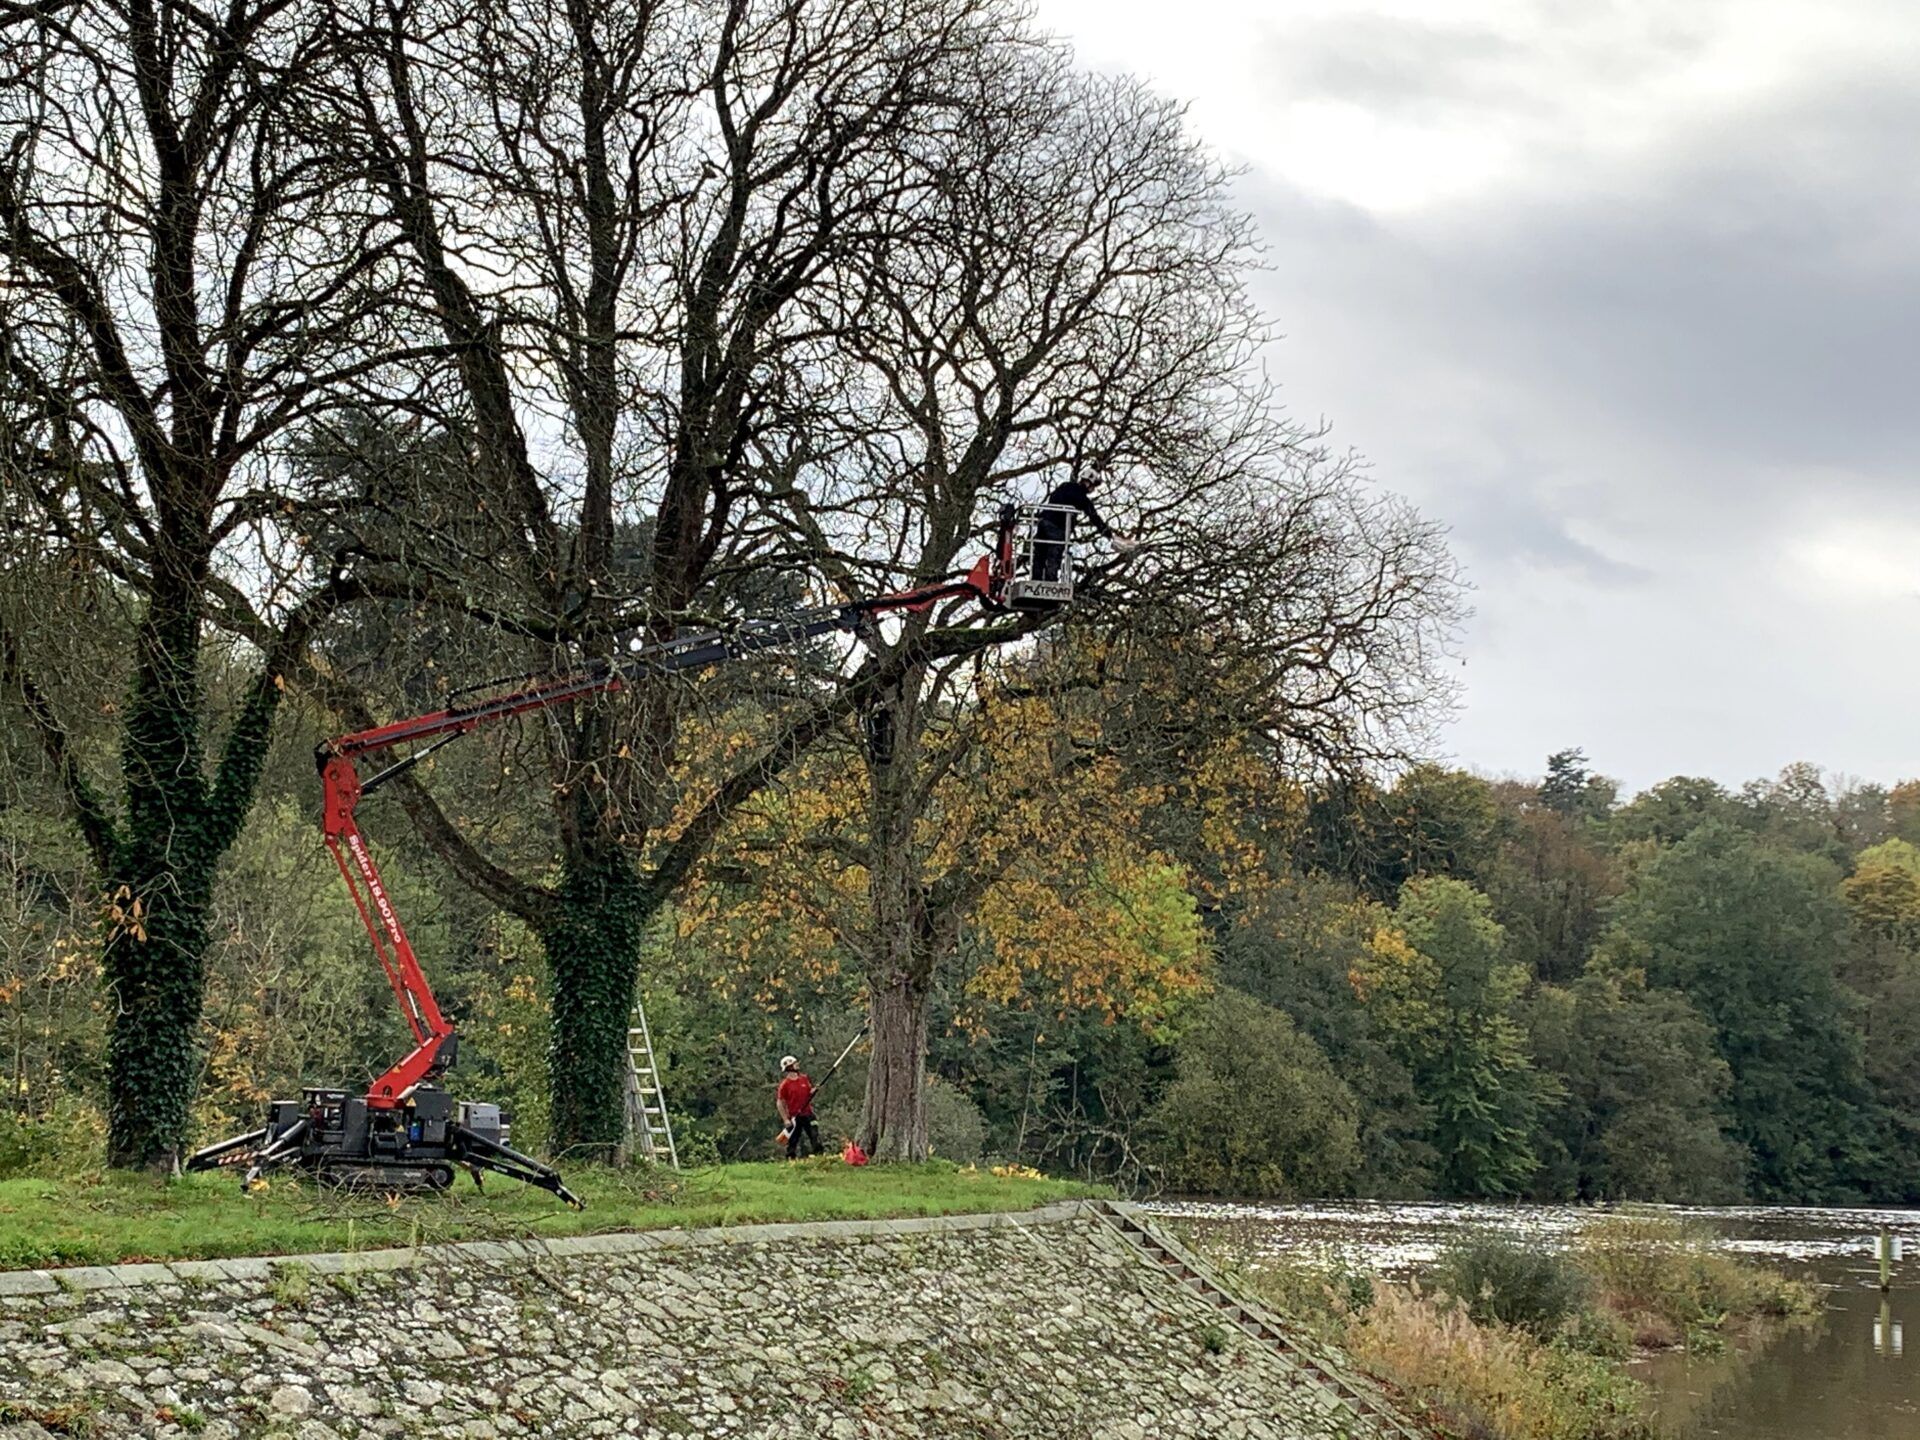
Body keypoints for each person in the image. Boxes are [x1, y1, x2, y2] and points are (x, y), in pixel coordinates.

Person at [1034, 470, 1135, 582]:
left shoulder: (1065, 486)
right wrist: (1110, 535)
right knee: (1054, 555)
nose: (1093, 489)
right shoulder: (1081, 498)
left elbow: (1053, 498)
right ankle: (1050, 583)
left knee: (1039, 554)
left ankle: (1035, 580)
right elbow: (1094, 517)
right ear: (1088, 483)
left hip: (1043, 522)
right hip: (1057, 527)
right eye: (1093, 486)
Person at [776, 1055, 822, 1160]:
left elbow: (809, 1092)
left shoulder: (804, 1078)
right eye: (795, 1063)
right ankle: (790, 1159)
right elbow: (780, 1102)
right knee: (793, 1140)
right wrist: (786, 1119)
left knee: (815, 1135)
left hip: (808, 1114)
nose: (797, 1065)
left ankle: (820, 1157)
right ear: (789, 1067)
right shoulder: (785, 1085)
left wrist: (814, 1091)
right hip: (795, 1117)